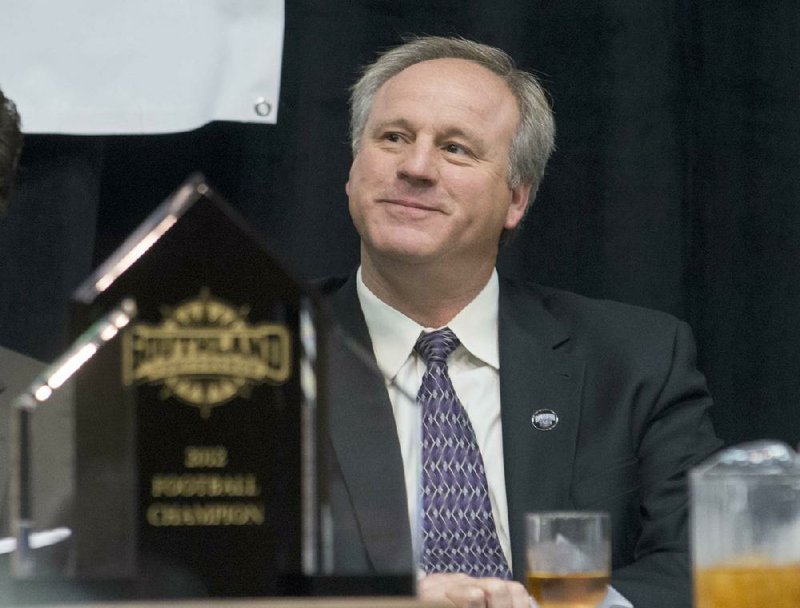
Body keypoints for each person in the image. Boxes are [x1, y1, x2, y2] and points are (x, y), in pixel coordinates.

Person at [320, 36, 721, 608]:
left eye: (456, 149)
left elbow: (706, 557)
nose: (415, 167)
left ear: (516, 199)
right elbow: (191, 565)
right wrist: (389, 601)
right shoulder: (262, 352)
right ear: (354, 169)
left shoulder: (635, 358)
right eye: (393, 138)